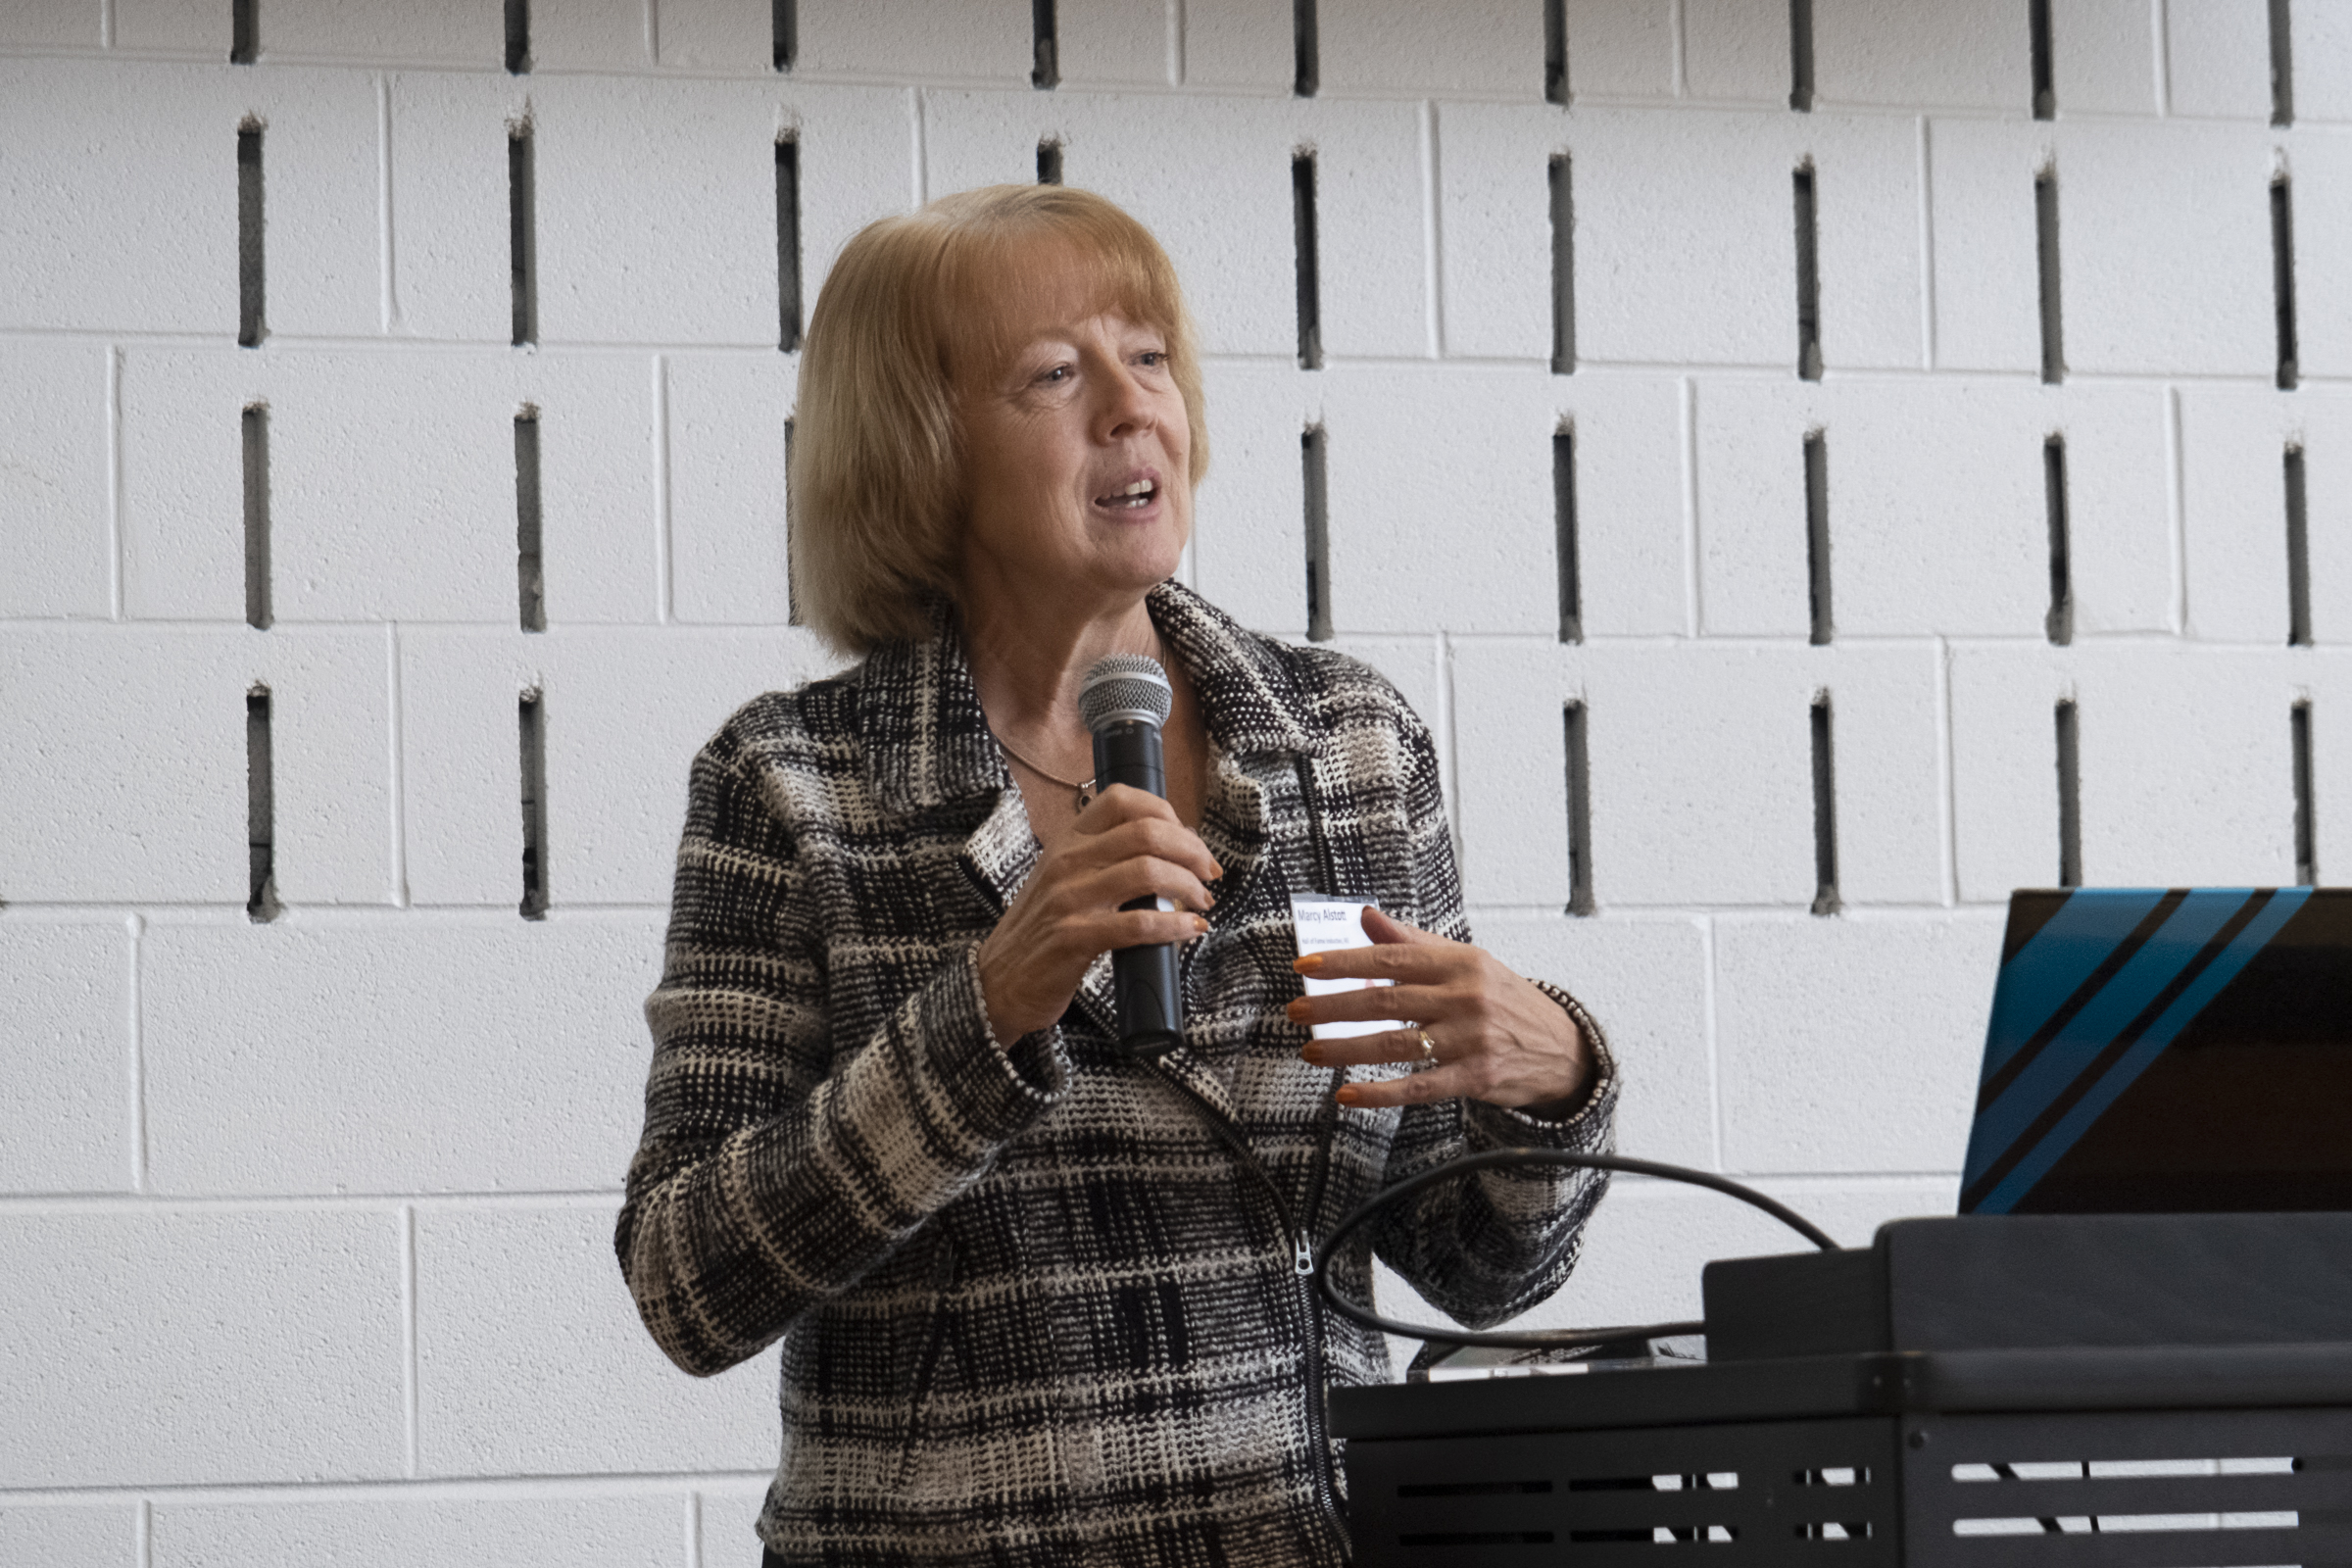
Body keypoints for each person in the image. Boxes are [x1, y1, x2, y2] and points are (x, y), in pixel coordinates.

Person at [616, 182, 1618, 1566]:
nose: (1130, 406)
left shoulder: (1348, 747)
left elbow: (1475, 1267)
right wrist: (984, 1013)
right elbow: (690, 1285)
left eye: (1147, 356)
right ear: (925, 452)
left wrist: (1552, 1077)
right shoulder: (795, 784)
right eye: (1052, 373)